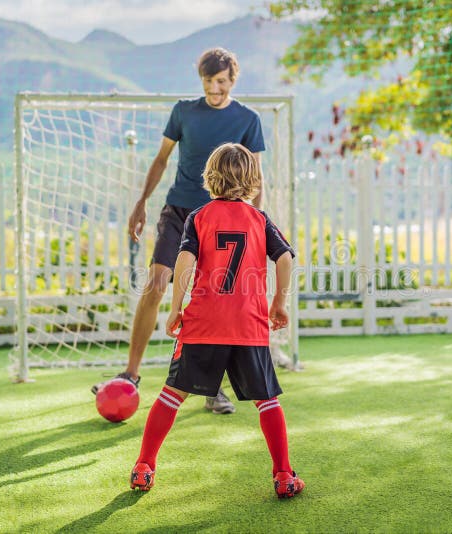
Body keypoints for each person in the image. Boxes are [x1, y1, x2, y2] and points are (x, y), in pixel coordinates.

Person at [92, 47, 266, 414]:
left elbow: (256, 178)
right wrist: (141, 202)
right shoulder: (183, 111)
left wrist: (256, 221)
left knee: (215, 299)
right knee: (156, 283)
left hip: (222, 216)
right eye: (207, 81)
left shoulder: (248, 120)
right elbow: (161, 159)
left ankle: (211, 389)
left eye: (220, 82)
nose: (213, 88)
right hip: (178, 212)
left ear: (232, 80)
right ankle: (131, 373)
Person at [130, 143, 304, 499]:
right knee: (267, 401)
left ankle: (144, 466)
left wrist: (176, 306)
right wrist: (279, 302)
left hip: (204, 324)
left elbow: (184, 262)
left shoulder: (199, 216)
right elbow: (284, 258)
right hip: (249, 325)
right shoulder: (260, 219)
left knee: (171, 394)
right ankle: (284, 475)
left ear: (209, 177)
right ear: (252, 180)